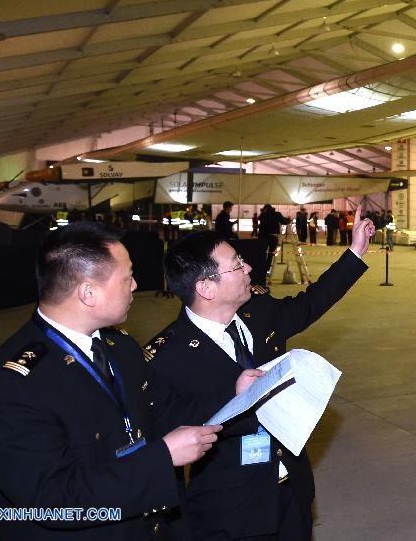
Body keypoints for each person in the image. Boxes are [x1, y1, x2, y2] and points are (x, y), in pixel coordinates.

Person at [0, 222, 263, 541]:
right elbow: (54, 501)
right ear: (88, 293)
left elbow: (162, 412)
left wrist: (235, 394)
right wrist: (161, 458)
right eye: (127, 278)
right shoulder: (12, 387)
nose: (135, 285)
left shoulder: (119, 348)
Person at [148, 206, 375, 541]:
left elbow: (312, 303)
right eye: (238, 265)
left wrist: (355, 251)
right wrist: (231, 393)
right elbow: (163, 438)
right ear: (206, 288)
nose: (249, 268)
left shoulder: (259, 311)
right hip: (233, 510)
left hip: (292, 491)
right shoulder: (167, 356)